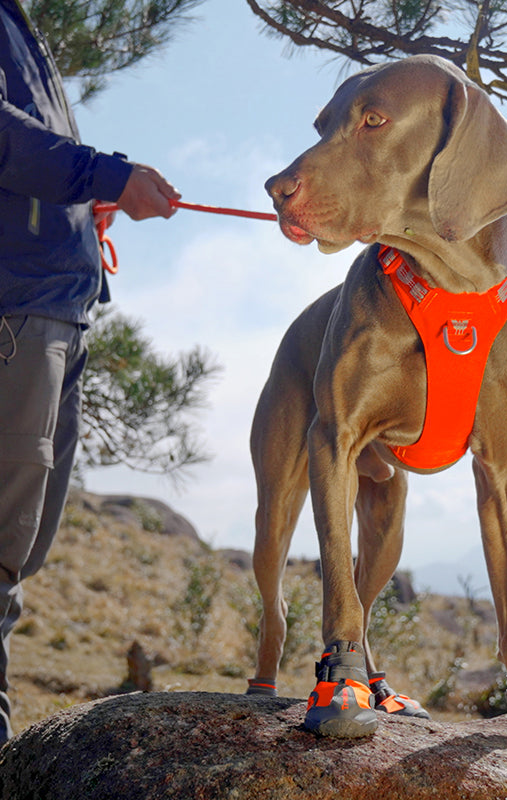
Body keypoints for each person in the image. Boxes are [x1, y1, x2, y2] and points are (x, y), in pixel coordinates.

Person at [0, 0, 181, 742]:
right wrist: (105, 172)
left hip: (59, 307)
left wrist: (94, 194)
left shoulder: (19, 21)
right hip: (17, 308)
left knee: (21, 549)